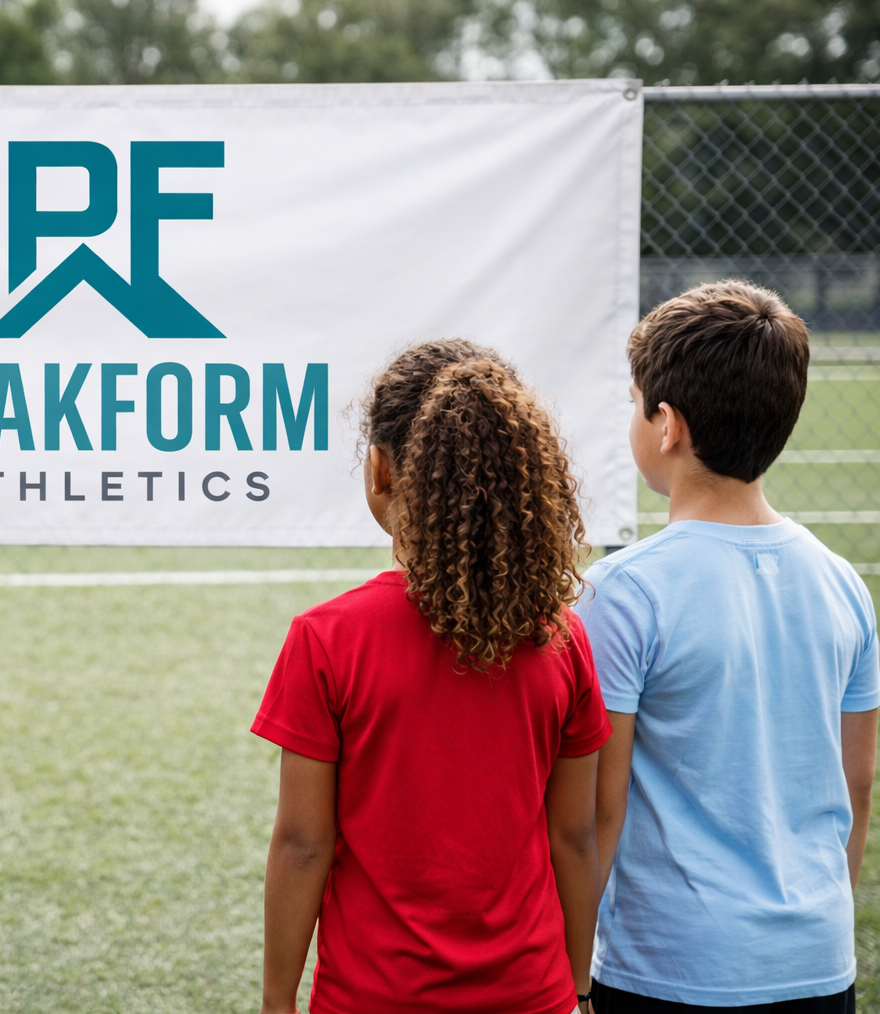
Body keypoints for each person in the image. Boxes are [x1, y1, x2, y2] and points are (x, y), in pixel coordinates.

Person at [253, 340, 611, 1014]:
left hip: (372, 998)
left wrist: (276, 1004)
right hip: (531, 994)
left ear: (381, 469)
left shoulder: (326, 639)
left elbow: (304, 844)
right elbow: (574, 837)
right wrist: (581, 990)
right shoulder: (563, 639)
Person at [580, 280, 878, 1013]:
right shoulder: (843, 584)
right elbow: (858, 783)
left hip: (670, 970)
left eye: (633, 402)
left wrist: (576, 976)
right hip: (818, 961)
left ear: (667, 426)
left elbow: (598, 812)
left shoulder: (622, 590)